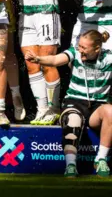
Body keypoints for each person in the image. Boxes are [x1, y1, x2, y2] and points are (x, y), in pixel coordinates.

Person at [25, 30, 112, 177]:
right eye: (79, 46)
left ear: (97, 49)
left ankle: (101, 160)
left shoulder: (108, 58)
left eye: (84, 48)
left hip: (97, 107)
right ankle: (70, 165)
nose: (80, 50)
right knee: (73, 120)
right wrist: (38, 59)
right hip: (75, 102)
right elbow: (55, 60)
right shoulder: (75, 53)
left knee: (110, 111)